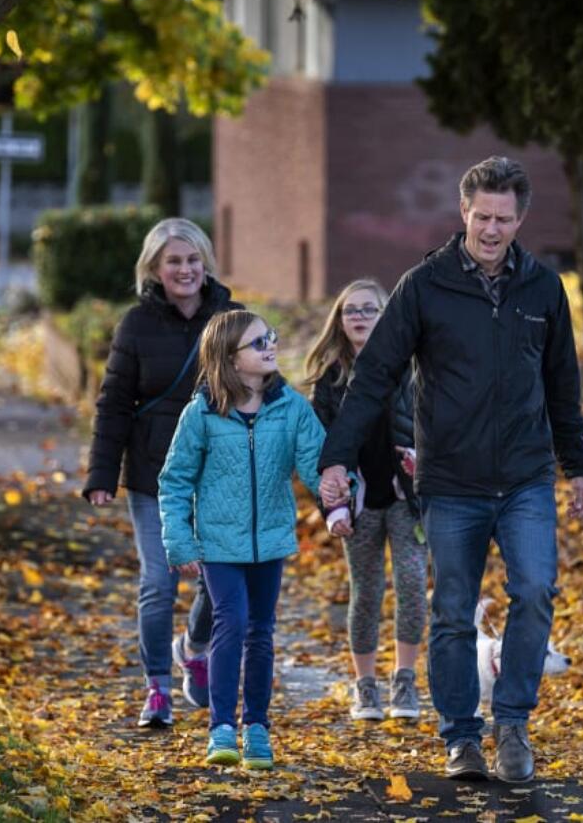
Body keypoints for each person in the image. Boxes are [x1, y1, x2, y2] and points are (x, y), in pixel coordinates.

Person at [318, 156, 583, 783]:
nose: (492, 229)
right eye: (481, 217)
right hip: (451, 482)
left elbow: (562, 386)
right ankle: (461, 737)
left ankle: (513, 725)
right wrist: (336, 456)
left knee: (534, 592)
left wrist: (578, 467)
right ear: (463, 212)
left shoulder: (543, 290)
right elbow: (374, 377)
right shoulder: (425, 286)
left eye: (504, 218)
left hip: (525, 476)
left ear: (521, 218)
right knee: (452, 609)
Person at [159, 310, 338, 769]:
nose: (270, 347)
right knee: (231, 623)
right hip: (219, 543)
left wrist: (336, 496)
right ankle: (221, 727)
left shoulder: (291, 407)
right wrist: (179, 542)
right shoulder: (201, 413)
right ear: (231, 359)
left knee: (261, 632)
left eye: (271, 338)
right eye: (259, 343)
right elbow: (175, 481)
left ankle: (256, 727)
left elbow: (316, 463)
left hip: (271, 540)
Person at [81, 218, 240, 728]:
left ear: (206, 263)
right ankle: (157, 689)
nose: (185, 269)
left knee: (218, 581)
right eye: (173, 261)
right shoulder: (136, 325)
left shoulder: (233, 318)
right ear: (154, 267)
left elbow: (262, 391)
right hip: (152, 474)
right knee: (158, 581)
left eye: (193, 259)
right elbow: (114, 405)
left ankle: (192, 647)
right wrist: (102, 474)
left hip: (217, 473)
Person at [305, 279, 428, 723]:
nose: (359, 317)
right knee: (367, 590)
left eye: (369, 309)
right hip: (356, 504)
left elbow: (434, 428)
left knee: (413, 583)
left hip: (405, 496)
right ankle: (365, 686)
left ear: (386, 316)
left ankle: (405, 680)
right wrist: (332, 507)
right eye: (350, 310)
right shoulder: (330, 382)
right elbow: (317, 451)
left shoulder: (412, 369)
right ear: (339, 321)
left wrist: (423, 461)